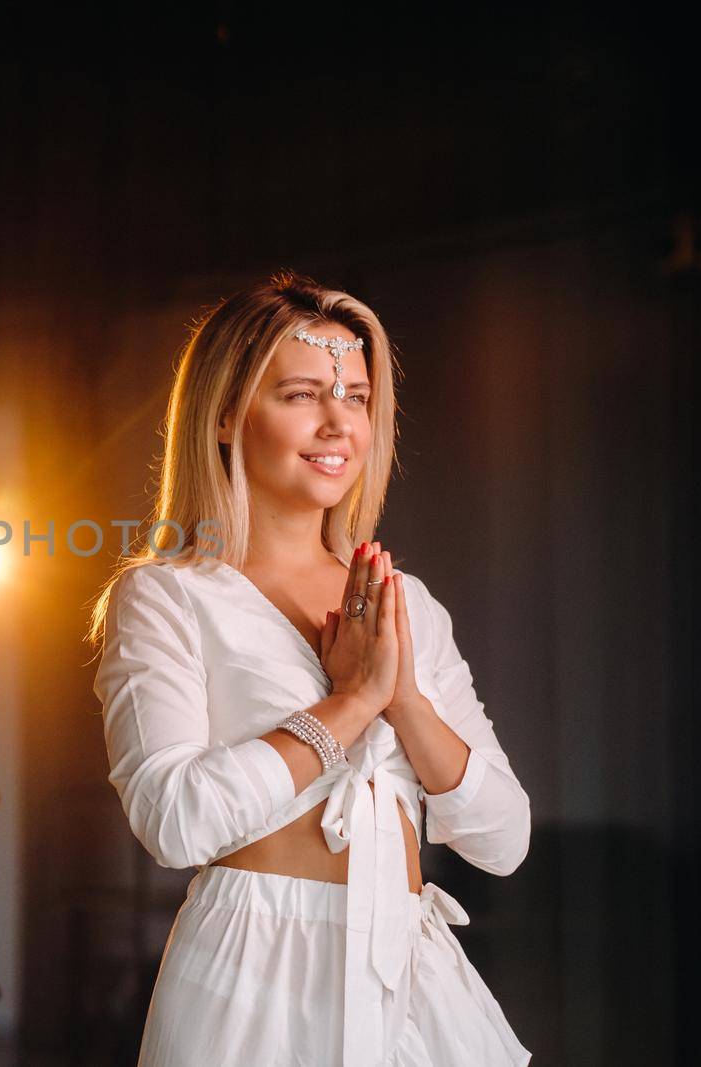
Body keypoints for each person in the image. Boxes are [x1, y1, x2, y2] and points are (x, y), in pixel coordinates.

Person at [86, 271, 532, 1065]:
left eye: (355, 397)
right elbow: (174, 819)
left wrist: (404, 704)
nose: (337, 424)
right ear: (226, 415)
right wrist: (351, 703)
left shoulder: (406, 604)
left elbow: (504, 836)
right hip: (254, 976)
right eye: (300, 394)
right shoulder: (168, 597)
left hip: (412, 977)